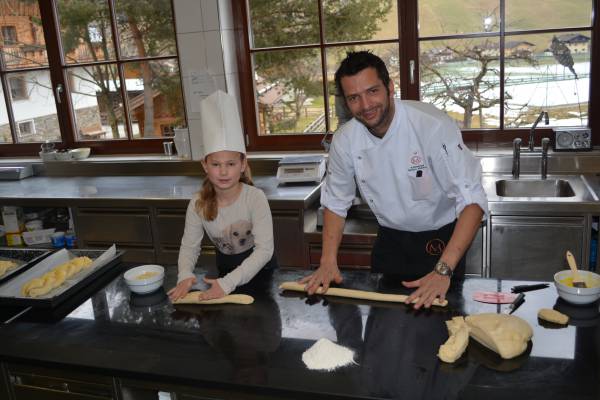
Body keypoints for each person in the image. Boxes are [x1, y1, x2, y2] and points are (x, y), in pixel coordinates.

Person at [301, 51, 488, 309]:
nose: (365, 105)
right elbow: (335, 201)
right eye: (354, 98)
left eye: (372, 91)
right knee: (384, 332)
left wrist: (443, 271)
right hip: (390, 241)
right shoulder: (346, 140)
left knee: (441, 332)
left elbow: (472, 201)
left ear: (390, 87)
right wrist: (328, 261)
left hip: (441, 244)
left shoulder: (431, 126)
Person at [168, 90, 277, 302]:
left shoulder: (255, 198)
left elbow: (264, 250)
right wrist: (185, 275)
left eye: (231, 164)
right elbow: (190, 246)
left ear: (243, 164)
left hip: (261, 273)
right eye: (216, 164)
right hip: (223, 273)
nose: (224, 172)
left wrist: (228, 283)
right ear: (205, 166)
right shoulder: (198, 204)